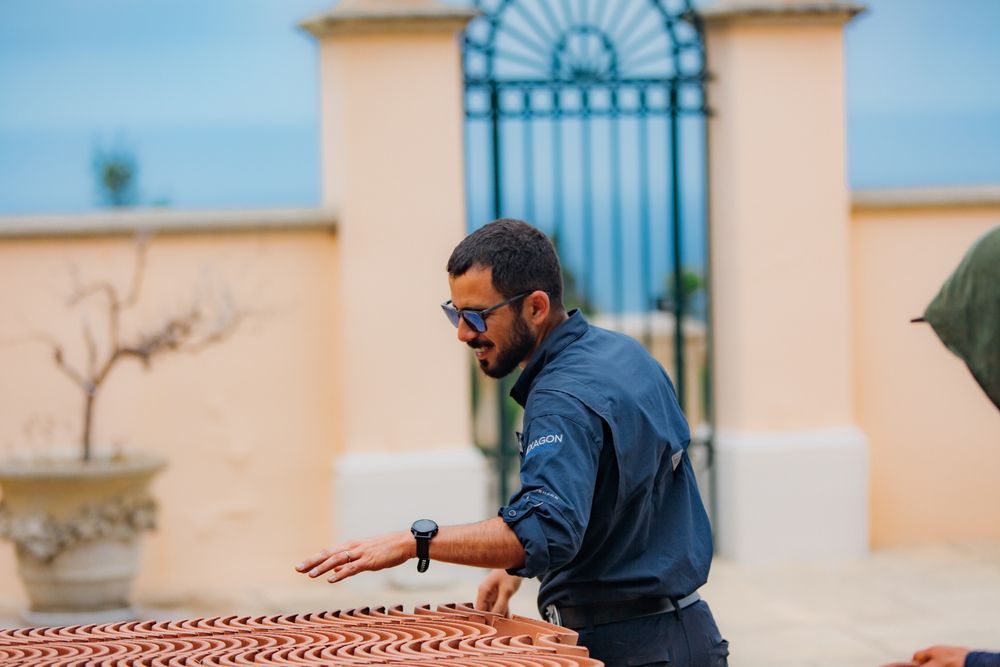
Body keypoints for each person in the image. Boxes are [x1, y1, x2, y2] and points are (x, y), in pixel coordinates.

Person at [296, 218, 728, 667]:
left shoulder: (560, 398)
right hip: (689, 635)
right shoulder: (626, 356)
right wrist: (509, 567)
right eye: (455, 312)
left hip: (626, 650)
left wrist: (414, 542)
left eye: (476, 315)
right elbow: (615, 491)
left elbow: (545, 529)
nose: (463, 332)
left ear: (536, 307)